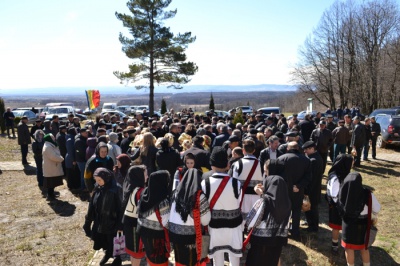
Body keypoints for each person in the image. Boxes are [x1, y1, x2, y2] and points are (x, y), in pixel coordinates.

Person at [201, 147, 243, 266]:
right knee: (234, 257)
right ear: (227, 164)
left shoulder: (205, 183)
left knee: (217, 257)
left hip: (215, 226)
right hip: (234, 225)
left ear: (212, 164)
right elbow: (239, 202)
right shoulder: (236, 183)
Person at [245, 175, 291, 266]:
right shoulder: (288, 204)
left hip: (260, 243)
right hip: (277, 241)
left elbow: (250, 221)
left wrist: (262, 195)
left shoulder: (263, 201)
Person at [169, 168, 211, 266]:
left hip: (175, 235)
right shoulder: (199, 196)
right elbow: (205, 221)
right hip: (190, 238)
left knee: (179, 261)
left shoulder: (175, 193)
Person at [338, 172, 381, 266]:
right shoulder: (367, 193)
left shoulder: (343, 192)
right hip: (363, 225)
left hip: (348, 224)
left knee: (349, 248)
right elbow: (377, 208)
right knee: (364, 247)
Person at [83, 168, 122, 266]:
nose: (97, 182)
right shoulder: (97, 188)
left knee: (113, 241)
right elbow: (92, 204)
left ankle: (117, 259)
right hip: (100, 221)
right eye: (96, 180)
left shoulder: (116, 189)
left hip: (112, 221)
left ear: (106, 178)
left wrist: (120, 224)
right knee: (103, 240)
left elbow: (121, 208)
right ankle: (108, 254)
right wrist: (88, 221)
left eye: (99, 180)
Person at [277, 141, 312, 239]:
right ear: (298, 148)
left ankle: (283, 231)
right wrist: (298, 186)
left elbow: (278, 176)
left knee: (284, 211)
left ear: (288, 148)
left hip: (284, 190)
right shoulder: (306, 160)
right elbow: (308, 177)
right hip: (298, 190)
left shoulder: (281, 158)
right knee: (296, 211)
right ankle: (295, 232)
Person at [137, 170, 171, 266]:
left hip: (144, 232)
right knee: (159, 261)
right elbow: (166, 223)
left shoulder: (144, 193)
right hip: (157, 238)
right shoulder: (162, 200)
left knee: (150, 258)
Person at [326, 154, 353, 253]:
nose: (352, 164)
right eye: (351, 162)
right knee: (337, 227)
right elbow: (334, 195)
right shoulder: (336, 177)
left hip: (341, 205)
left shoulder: (342, 173)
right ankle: (334, 245)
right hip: (338, 206)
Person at [231, 139, 263, 221]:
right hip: (257, 196)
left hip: (242, 196)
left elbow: (234, 181)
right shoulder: (261, 164)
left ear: (243, 150)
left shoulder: (238, 163)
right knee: (255, 219)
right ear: (254, 150)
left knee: (242, 220)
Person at [122, 165, 147, 266]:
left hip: (128, 222)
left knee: (133, 252)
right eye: (145, 174)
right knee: (137, 252)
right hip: (134, 224)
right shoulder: (140, 191)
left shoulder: (130, 187)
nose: (147, 176)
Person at [302, 141, 324, 232]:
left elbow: (312, 178)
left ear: (312, 149)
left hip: (312, 189)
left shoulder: (313, 160)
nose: (305, 151)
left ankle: (313, 227)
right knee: (309, 207)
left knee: (312, 208)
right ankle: (309, 222)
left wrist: (307, 190)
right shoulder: (314, 157)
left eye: (307, 149)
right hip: (313, 187)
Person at [42, 133, 64, 200]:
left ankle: (51, 194)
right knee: (50, 183)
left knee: (52, 182)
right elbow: (53, 156)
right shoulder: (48, 147)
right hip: (51, 167)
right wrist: (61, 159)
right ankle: (50, 195)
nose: (54, 138)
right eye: (52, 137)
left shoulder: (50, 145)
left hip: (53, 166)